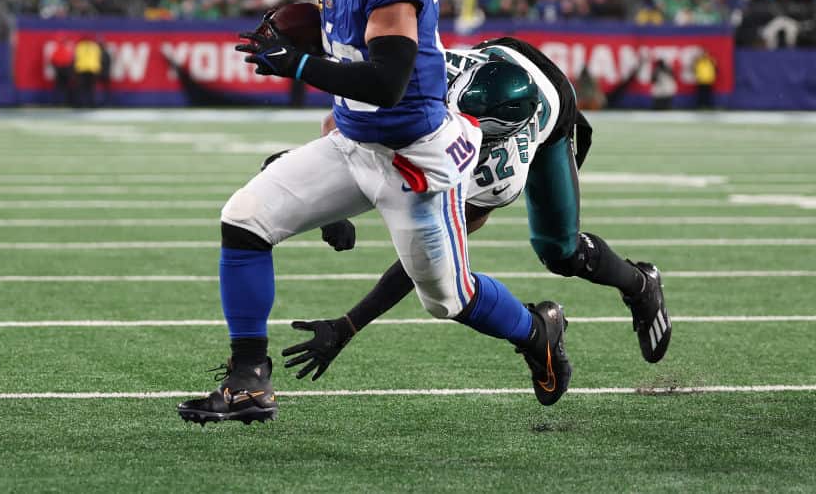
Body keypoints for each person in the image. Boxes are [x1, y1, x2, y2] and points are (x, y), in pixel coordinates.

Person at [177, 0, 570, 425]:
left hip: (413, 156)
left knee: (448, 299)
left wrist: (299, 65)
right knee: (245, 218)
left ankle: (537, 332)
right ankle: (248, 381)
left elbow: (387, 81)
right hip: (354, 143)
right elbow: (343, 44)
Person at [280, 37, 672, 383]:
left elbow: (433, 254)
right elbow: (341, 121)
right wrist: (330, 208)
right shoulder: (426, 76)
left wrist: (349, 325)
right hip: (500, 59)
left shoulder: (502, 169)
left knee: (560, 251)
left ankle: (640, 284)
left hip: (552, 103)